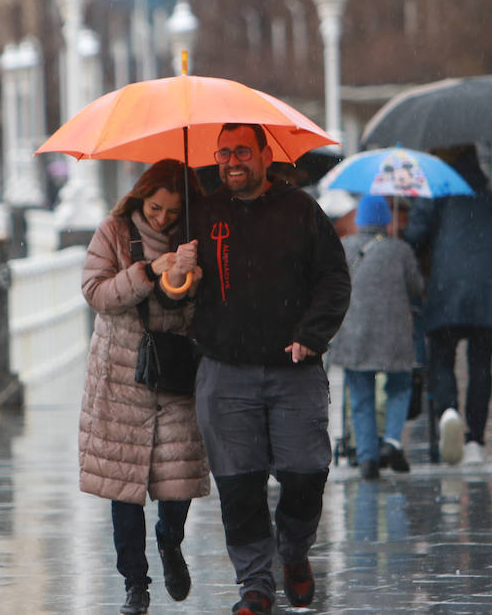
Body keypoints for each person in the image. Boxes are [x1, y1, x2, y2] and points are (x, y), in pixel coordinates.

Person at [188, 123, 351, 615]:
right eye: (223, 153)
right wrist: (177, 274)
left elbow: (334, 278)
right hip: (224, 371)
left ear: (264, 154)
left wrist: (312, 334)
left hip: (294, 368)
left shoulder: (300, 210)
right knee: (239, 485)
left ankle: (295, 551)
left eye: (242, 151)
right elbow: (170, 287)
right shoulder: (202, 213)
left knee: (306, 473)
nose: (232, 161)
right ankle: (254, 585)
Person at [79, 159, 209, 615]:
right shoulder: (112, 232)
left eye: (173, 213)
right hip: (120, 375)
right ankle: (136, 583)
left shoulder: (195, 236)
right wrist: (149, 271)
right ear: (141, 196)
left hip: (174, 373)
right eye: (155, 208)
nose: (162, 219)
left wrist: (187, 280)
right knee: (124, 487)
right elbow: (97, 293)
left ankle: (170, 542)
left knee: (180, 479)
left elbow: (193, 307)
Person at [403, 144, 492, 466]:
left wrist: (402, 234)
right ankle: (475, 440)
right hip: (487, 287)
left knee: (442, 359)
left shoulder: (435, 185)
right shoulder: (485, 189)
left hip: (447, 285)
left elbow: (417, 235)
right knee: (481, 366)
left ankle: (449, 411)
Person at [328, 194, 425, 481]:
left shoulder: (344, 248)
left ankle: (368, 457)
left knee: (361, 395)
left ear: (359, 219)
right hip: (394, 335)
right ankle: (392, 441)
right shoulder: (400, 250)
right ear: (386, 218)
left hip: (355, 333)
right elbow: (417, 286)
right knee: (400, 387)